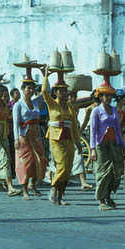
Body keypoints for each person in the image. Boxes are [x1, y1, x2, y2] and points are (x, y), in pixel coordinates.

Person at [40, 68, 83, 206]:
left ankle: (60, 196)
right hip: (55, 138)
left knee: (68, 168)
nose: (64, 93)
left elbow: (74, 126)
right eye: (61, 90)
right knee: (62, 165)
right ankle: (53, 188)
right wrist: (46, 76)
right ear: (56, 92)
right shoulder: (52, 103)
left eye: (65, 90)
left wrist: (78, 142)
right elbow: (44, 92)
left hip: (68, 138)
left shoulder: (70, 107)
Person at [89, 82, 125, 210]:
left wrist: (122, 145)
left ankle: (109, 196)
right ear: (100, 96)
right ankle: (101, 200)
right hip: (101, 145)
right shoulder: (96, 111)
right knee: (103, 172)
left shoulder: (114, 110)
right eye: (105, 95)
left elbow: (118, 128)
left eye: (110, 96)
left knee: (115, 171)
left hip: (113, 144)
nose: (108, 98)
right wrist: (92, 149)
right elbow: (93, 131)